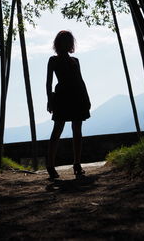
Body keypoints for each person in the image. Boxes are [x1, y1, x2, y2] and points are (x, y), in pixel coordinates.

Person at [46, 30, 91, 179]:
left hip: (77, 96)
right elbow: (48, 83)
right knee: (58, 129)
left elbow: (81, 80)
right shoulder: (53, 60)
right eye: (65, 41)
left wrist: (87, 98)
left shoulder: (75, 60)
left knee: (77, 129)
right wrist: (50, 100)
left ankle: (77, 164)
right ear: (59, 44)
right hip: (62, 97)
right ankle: (50, 165)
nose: (67, 44)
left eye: (68, 41)